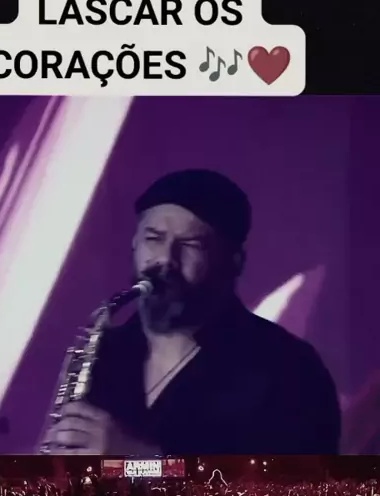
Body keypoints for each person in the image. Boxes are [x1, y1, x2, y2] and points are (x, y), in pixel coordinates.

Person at [56, 169, 341, 455]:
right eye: (154, 239)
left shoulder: (289, 368)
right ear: (134, 244)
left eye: (191, 244)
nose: (166, 259)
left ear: (234, 262)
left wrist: (139, 461)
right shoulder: (103, 353)